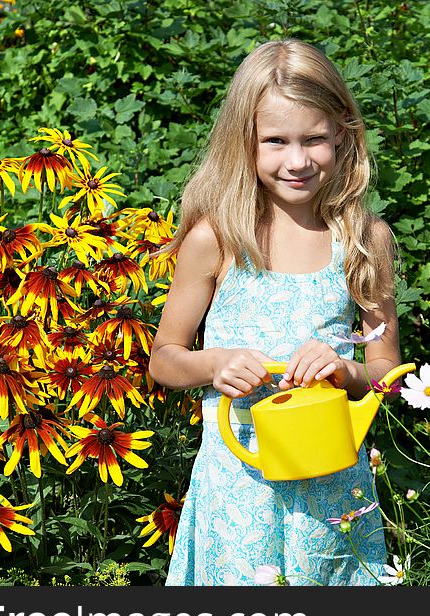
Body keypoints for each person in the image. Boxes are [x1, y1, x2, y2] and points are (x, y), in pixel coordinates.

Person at [148, 38, 403, 586]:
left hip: (331, 494)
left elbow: (386, 370)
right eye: (276, 141)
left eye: (314, 139)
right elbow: (164, 360)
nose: (297, 160)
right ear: (246, 143)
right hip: (238, 489)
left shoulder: (363, 240)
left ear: (343, 132)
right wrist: (212, 364)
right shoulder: (216, 238)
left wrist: (347, 370)